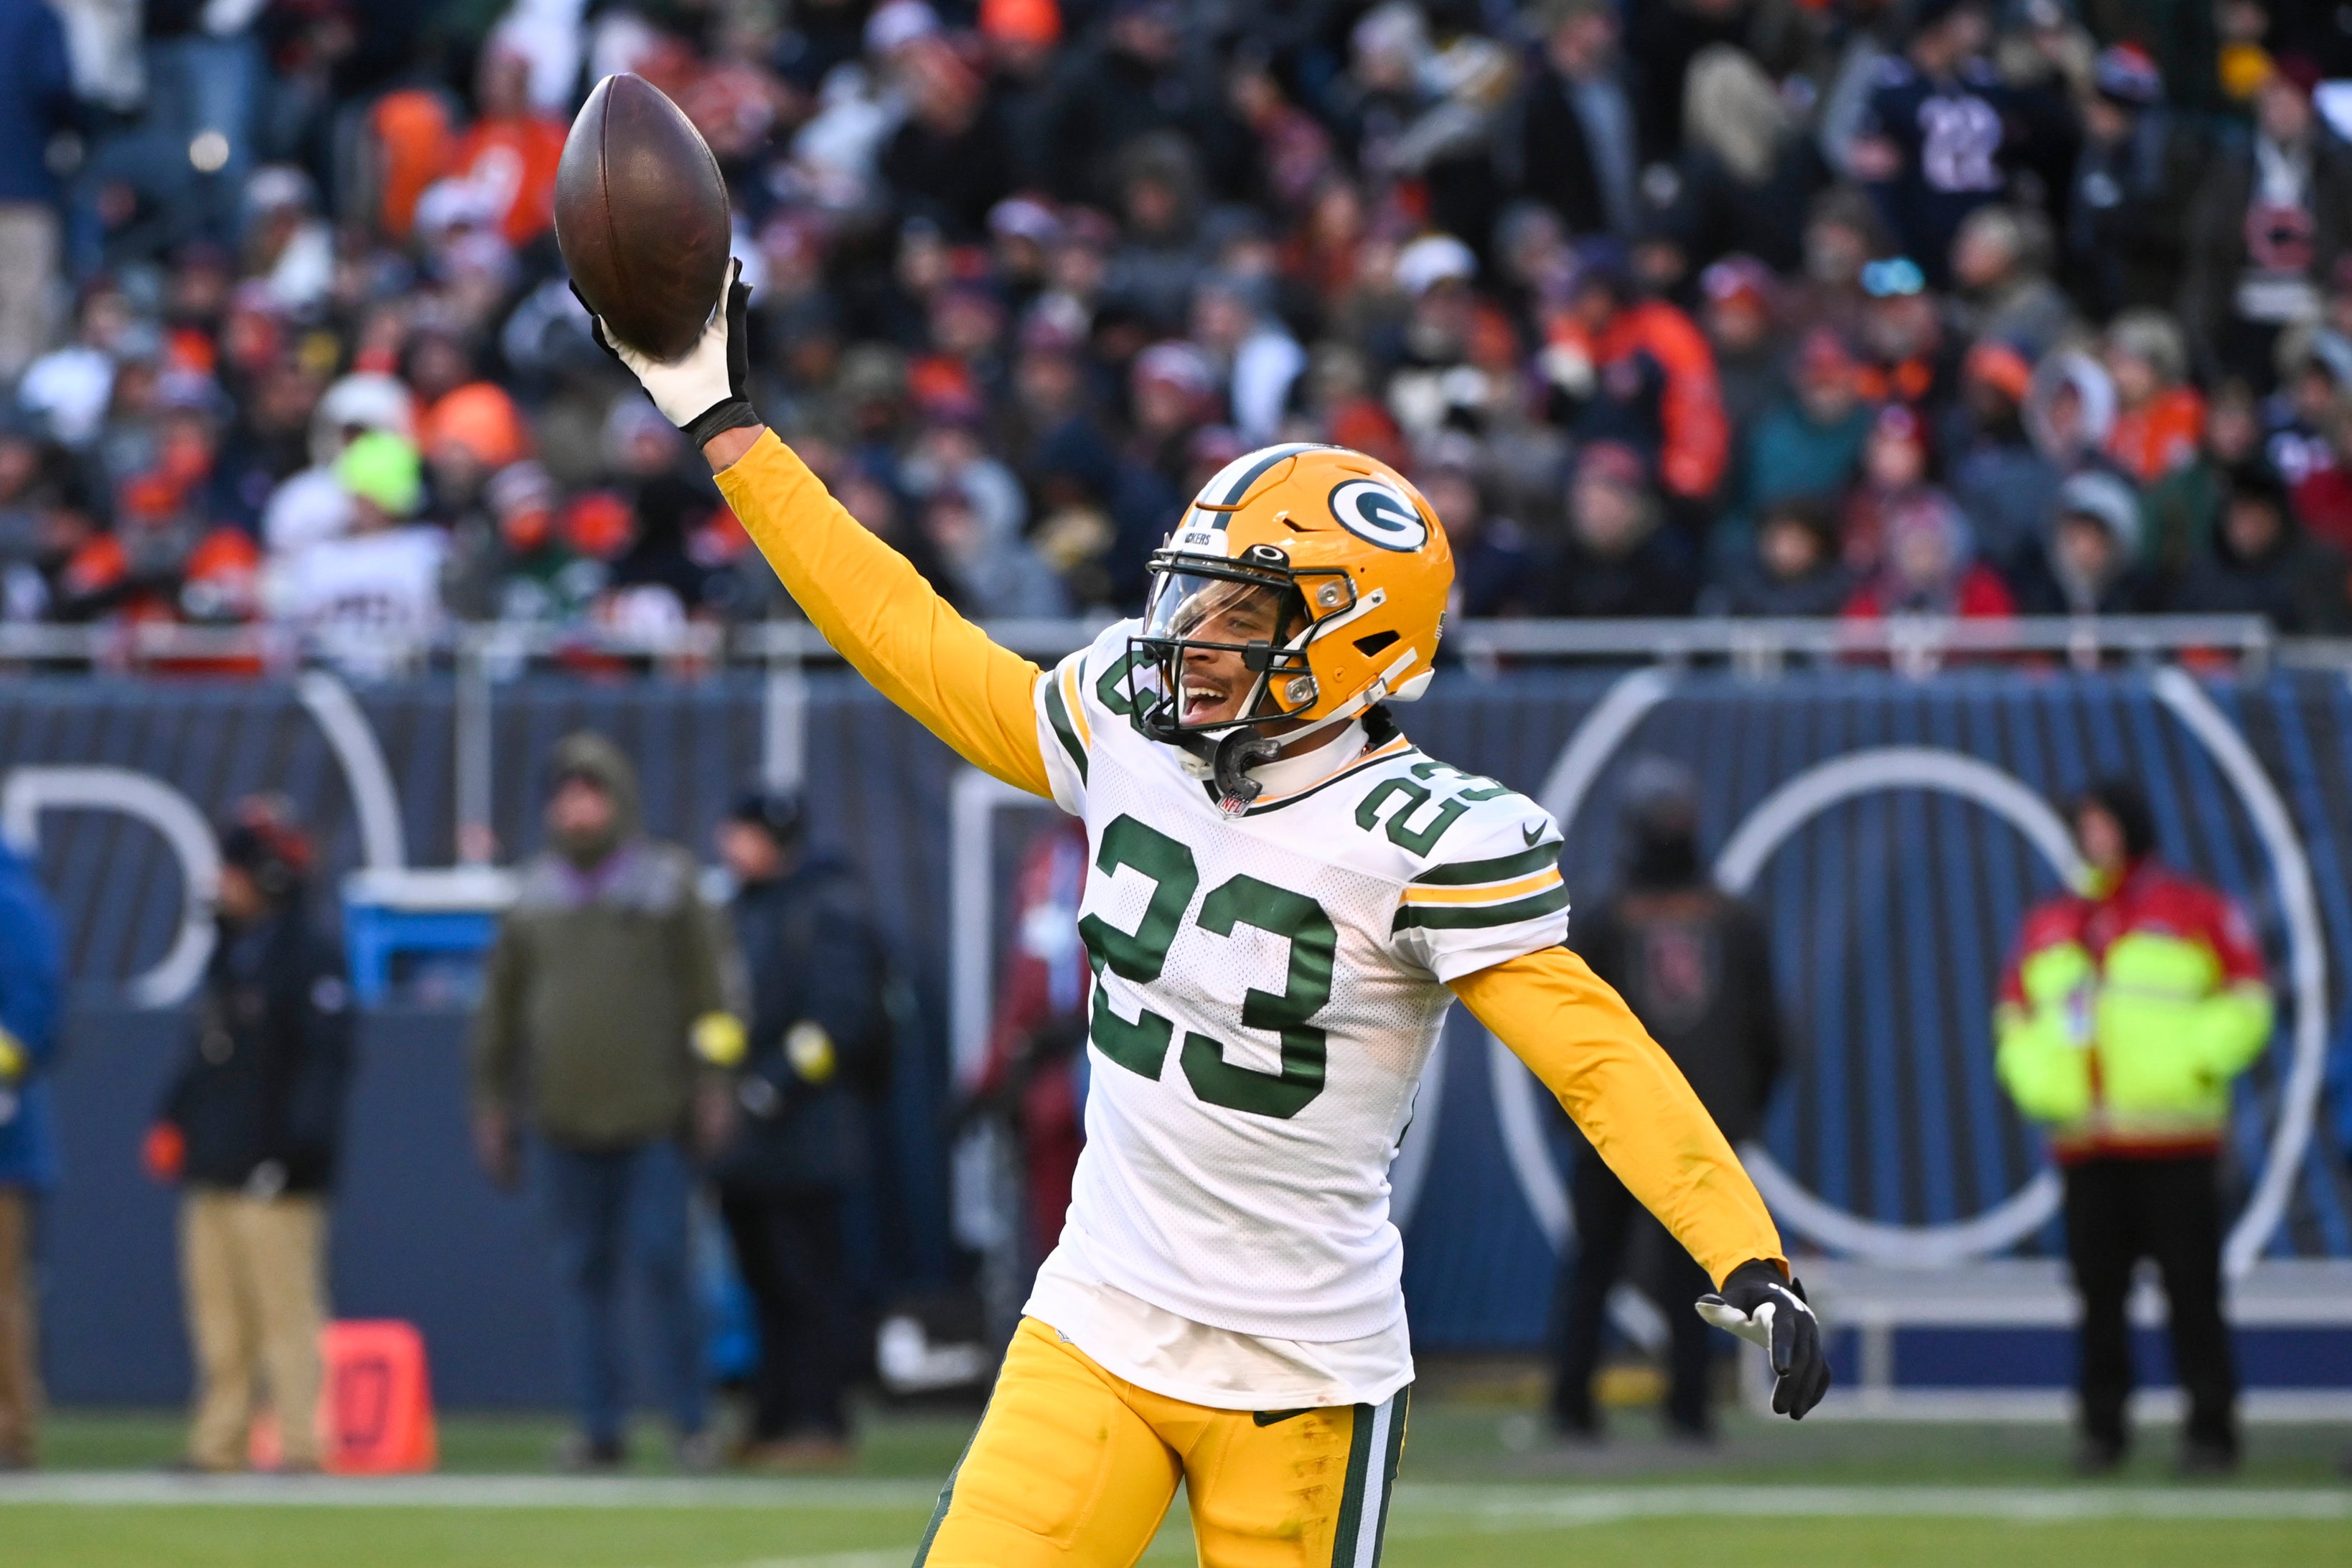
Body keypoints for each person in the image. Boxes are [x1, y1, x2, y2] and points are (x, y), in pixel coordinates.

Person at [586, 263, 1826, 1566]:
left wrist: (1741, 1252)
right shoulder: (1131, 720)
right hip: (1102, 1314)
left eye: (1241, 614)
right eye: (1195, 597)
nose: (1188, 639)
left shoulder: (1425, 838)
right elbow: (912, 638)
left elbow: (1597, 1057)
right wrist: (729, 431)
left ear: (1352, 643)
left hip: (1301, 1367)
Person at [470, 733, 742, 1473]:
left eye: (591, 791)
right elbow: (499, 1008)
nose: (578, 807)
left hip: (655, 1113)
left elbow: (713, 992)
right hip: (559, 1116)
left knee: (663, 1266)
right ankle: (599, 1426)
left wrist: (714, 1081)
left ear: (618, 798)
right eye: (565, 794)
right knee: (579, 1273)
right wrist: (493, 1103)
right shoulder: (532, 895)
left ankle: (690, 1422)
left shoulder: (664, 883)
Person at [1995, 780, 2273, 1475]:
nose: (2092, 836)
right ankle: (2101, 1430)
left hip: (2176, 1140)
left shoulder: (2191, 909)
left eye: (2102, 821)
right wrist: (2042, 1086)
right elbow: (2014, 1015)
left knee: (2193, 1294)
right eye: (2084, 823)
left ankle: (2210, 1432)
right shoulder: (2055, 921)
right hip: (2088, 1144)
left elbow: (2247, 1000)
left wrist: (2190, 1064)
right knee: (2096, 1299)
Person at [1552, 761, 1784, 1442]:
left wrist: (1576, 1117)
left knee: (1595, 1265)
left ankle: (1575, 1404)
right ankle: (1688, 1406)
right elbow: (1767, 1031)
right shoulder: (1730, 915)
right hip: (1695, 1125)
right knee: (1698, 1267)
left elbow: (1563, 1024)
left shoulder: (1606, 916)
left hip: (1615, 1125)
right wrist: (1741, 1114)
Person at [145, 802, 354, 1473]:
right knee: (219, 1317)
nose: (221, 883)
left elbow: (326, 1061)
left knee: (285, 1311)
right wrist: (173, 1118)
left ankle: (301, 1441)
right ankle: (219, 1441)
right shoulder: (229, 951)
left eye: (233, 869)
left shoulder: (308, 954)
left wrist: (296, 1149)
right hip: (216, 1158)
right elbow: (202, 1050)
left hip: (275, 1167)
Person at [708, 791, 891, 1470]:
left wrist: (772, 1084)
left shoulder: (829, 910)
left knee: (809, 1285)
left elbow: (839, 1022)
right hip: (747, 1145)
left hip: (812, 1139)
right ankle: (771, 1417)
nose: (730, 844)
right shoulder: (735, 909)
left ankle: (820, 1421)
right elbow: (726, 1012)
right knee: (761, 1286)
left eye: (743, 832)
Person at [0, 836, 62, 1470]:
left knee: (2, 1294)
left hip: (5, 1142)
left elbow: (37, 1005)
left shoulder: (10, 899)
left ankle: (10, 1432)